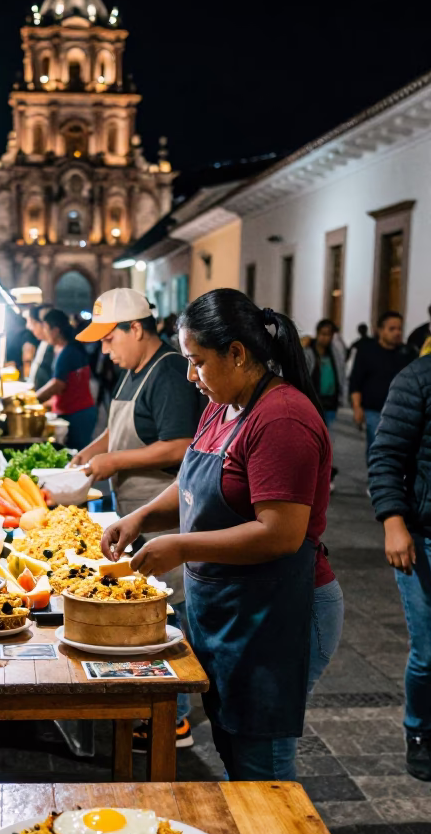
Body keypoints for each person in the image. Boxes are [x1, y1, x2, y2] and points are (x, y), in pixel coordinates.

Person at [100, 290, 336, 782]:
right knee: (233, 746)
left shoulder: (282, 418)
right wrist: (141, 517)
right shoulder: (223, 404)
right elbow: (189, 484)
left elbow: (280, 534)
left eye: (197, 362)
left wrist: (180, 546)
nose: (191, 376)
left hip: (278, 613)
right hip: (231, 607)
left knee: (262, 769)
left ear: (237, 353)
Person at [72, 289, 203, 748]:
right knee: (149, 606)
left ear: (135, 328)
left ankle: (176, 719)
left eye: (110, 339)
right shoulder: (133, 371)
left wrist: (117, 462)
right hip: (135, 509)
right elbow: (118, 428)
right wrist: (91, 453)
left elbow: (179, 445)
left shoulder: (168, 371)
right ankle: (144, 700)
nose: (104, 350)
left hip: (163, 509)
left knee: (170, 611)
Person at [368, 354, 431, 780]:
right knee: (428, 652)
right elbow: (386, 455)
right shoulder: (417, 379)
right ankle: (420, 732)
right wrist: (394, 523)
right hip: (424, 537)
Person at [349, 311, 415, 457]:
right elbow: (356, 381)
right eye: (392, 329)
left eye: (399, 329)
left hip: (402, 413)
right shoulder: (367, 352)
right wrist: (357, 407)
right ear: (380, 330)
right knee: (378, 448)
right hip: (375, 411)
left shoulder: (407, 353)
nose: (397, 333)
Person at [36, 308, 97, 449]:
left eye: (46, 328)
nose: (44, 332)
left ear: (55, 330)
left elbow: (58, 384)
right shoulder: (64, 348)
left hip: (78, 414)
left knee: (77, 455)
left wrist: (34, 399)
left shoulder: (69, 351)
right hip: (74, 411)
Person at [305, 319, 345, 490]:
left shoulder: (334, 353)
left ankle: (326, 476)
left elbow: (340, 373)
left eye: (329, 334)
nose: (326, 338)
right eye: (323, 334)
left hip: (330, 403)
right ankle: (312, 474)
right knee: (312, 440)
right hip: (313, 404)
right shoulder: (308, 352)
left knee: (328, 441)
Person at [25, 304, 55, 390]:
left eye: (33, 322)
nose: (30, 327)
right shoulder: (43, 343)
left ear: (43, 324)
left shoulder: (53, 348)